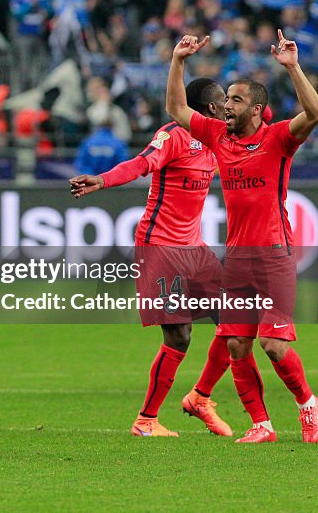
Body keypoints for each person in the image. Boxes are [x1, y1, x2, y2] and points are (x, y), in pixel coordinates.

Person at [166, 30, 318, 444]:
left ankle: (307, 403)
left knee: (273, 345)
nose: (225, 107)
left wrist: (292, 68)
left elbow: (316, 112)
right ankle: (262, 425)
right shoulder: (219, 136)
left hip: (273, 254)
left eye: (234, 101)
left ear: (257, 108)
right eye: (225, 100)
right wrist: (178, 60)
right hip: (236, 257)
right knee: (237, 343)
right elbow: (176, 108)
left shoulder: (278, 139)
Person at [70, 71, 233, 438]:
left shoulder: (219, 138)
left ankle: (201, 398)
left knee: (236, 320)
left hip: (194, 247)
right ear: (210, 106)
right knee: (179, 337)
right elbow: (140, 164)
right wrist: (102, 179)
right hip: (160, 246)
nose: (228, 106)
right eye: (224, 100)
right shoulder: (173, 135)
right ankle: (146, 420)